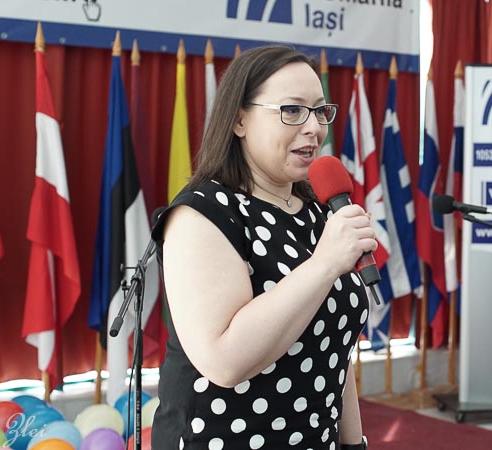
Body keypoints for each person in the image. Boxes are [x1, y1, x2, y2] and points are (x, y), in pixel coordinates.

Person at [150, 45, 374, 450]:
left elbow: (335, 345)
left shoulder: (318, 211)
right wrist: (324, 264)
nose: (314, 127)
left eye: (320, 110)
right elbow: (224, 361)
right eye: (293, 110)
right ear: (239, 119)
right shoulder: (202, 214)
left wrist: (353, 443)